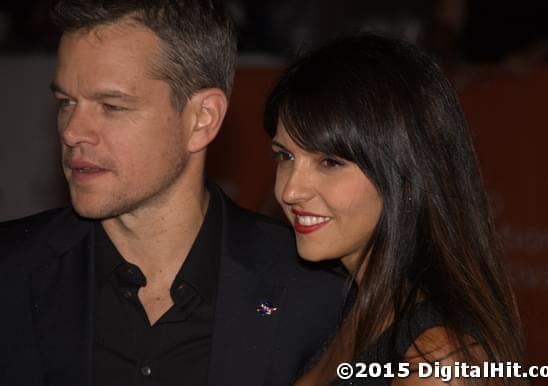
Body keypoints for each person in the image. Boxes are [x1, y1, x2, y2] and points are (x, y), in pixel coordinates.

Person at [0, 1, 347, 385]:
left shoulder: (317, 294)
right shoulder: (11, 272)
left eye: (112, 106)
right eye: (66, 102)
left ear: (202, 119)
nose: (72, 131)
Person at [265, 35, 527, 385]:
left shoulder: (436, 358)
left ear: (406, 177)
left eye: (329, 162)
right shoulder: (349, 308)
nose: (290, 190)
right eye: (285, 156)